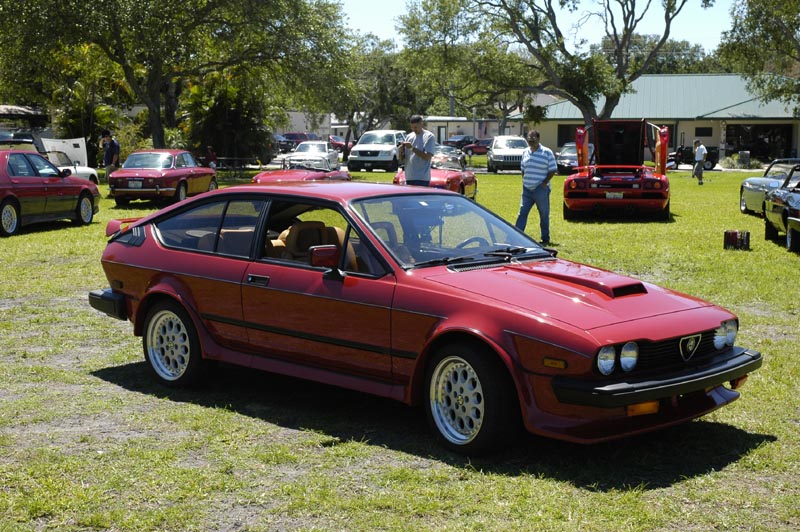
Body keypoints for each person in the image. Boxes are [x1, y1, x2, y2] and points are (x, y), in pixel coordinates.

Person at [515, 130, 557, 244]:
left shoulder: (547, 152)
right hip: (527, 189)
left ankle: (545, 238)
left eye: (533, 139)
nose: (531, 141)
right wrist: (524, 181)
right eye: (529, 139)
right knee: (522, 213)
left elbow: (553, 169)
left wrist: (544, 183)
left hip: (540, 189)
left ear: (538, 139)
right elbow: (523, 169)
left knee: (544, 214)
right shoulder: (525, 152)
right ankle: (516, 237)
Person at [399, 115, 435, 186]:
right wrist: (401, 151)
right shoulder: (409, 136)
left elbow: (427, 157)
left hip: (421, 178)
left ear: (421, 124)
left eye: (415, 127)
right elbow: (402, 159)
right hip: (409, 177)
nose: (413, 129)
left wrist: (412, 148)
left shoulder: (429, 136)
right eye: (412, 127)